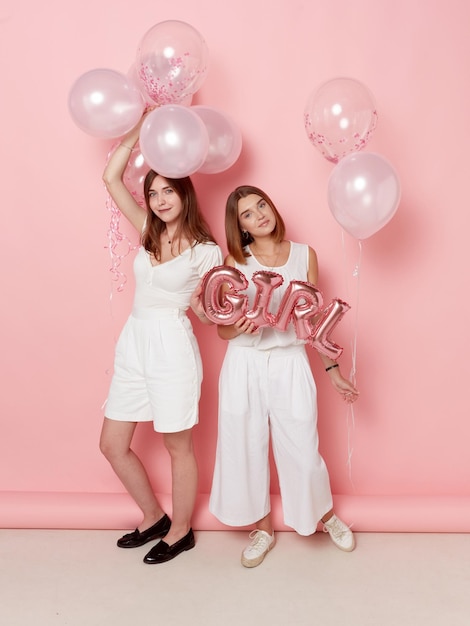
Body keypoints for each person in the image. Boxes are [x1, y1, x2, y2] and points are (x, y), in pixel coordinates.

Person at [208, 184, 359, 568]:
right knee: (244, 444)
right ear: (240, 226)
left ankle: (322, 515)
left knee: (303, 447)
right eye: (247, 213)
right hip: (244, 361)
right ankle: (261, 528)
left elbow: (313, 323)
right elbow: (222, 330)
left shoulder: (305, 255)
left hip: (291, 360)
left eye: (261, 204)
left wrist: (333, 371)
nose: (259, 214)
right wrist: (240, 327)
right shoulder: (235, 260)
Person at [99, 115, 223, 564]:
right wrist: (139, 133)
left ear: (184, 193)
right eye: (153, 192)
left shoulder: (206, 252)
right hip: (134, 343)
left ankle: (182, 529)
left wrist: (223, 314)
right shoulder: (148, 233)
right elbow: (111, 177)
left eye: (167, 190)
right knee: (112, 444)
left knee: (177, 446)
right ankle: (153, 515)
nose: (158, 199)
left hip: (172, 346)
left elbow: (207, 310)